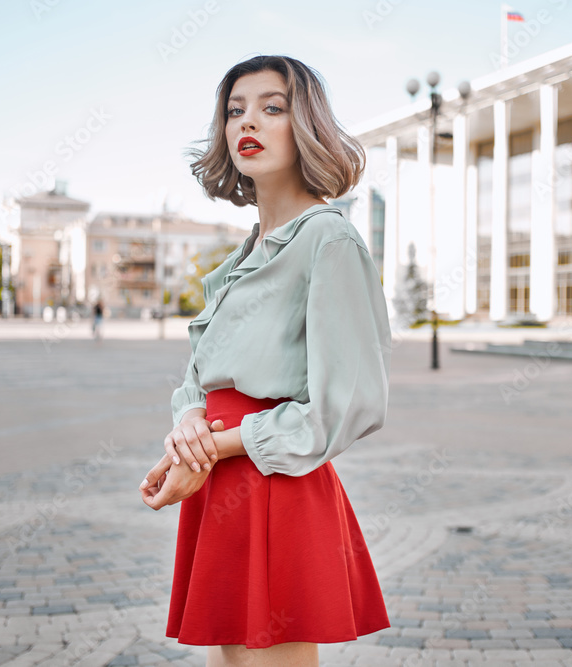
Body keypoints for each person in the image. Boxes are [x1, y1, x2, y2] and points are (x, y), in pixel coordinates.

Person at [138, 55, 391, 667]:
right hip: (219, 477)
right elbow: (201, 376)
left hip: (275, 478)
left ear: (303, 122)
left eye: (271, 107)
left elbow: (348, 404)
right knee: (230, 661)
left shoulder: (327, 240)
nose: (248, 121)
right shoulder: (244, 255)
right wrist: (188, 431)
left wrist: (212, 447)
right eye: (235, 110)